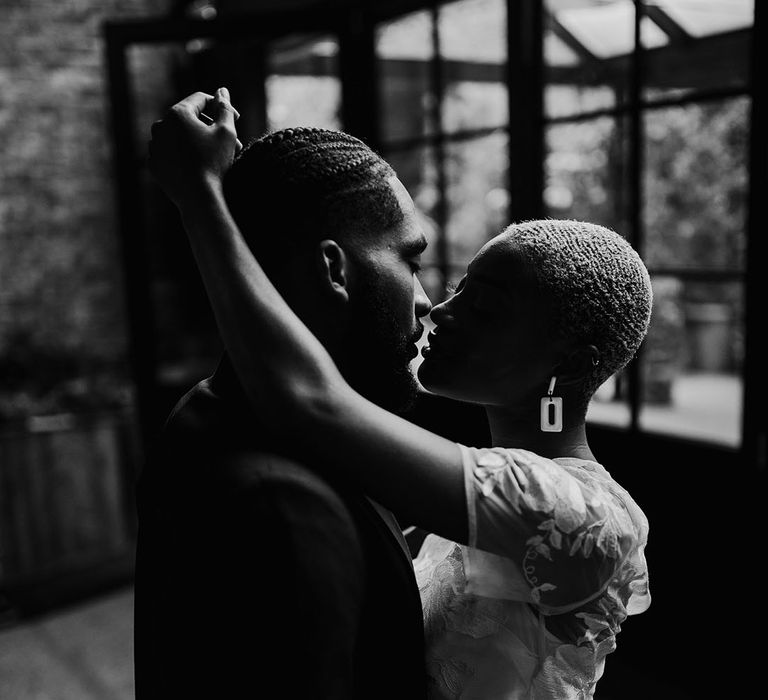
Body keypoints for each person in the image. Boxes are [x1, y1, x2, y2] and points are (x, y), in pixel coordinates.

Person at [148, 88, 653, 699]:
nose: (439, 309)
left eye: (485, 308)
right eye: (460, 285)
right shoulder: (468, 487)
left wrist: (199, 195)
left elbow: (310, 400)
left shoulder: (576, 517)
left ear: (568, 365)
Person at [133, 93, 445, 698]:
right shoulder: (283, 506)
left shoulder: (212, 406)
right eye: (410, 261)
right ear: (333, 271)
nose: (428, 299)